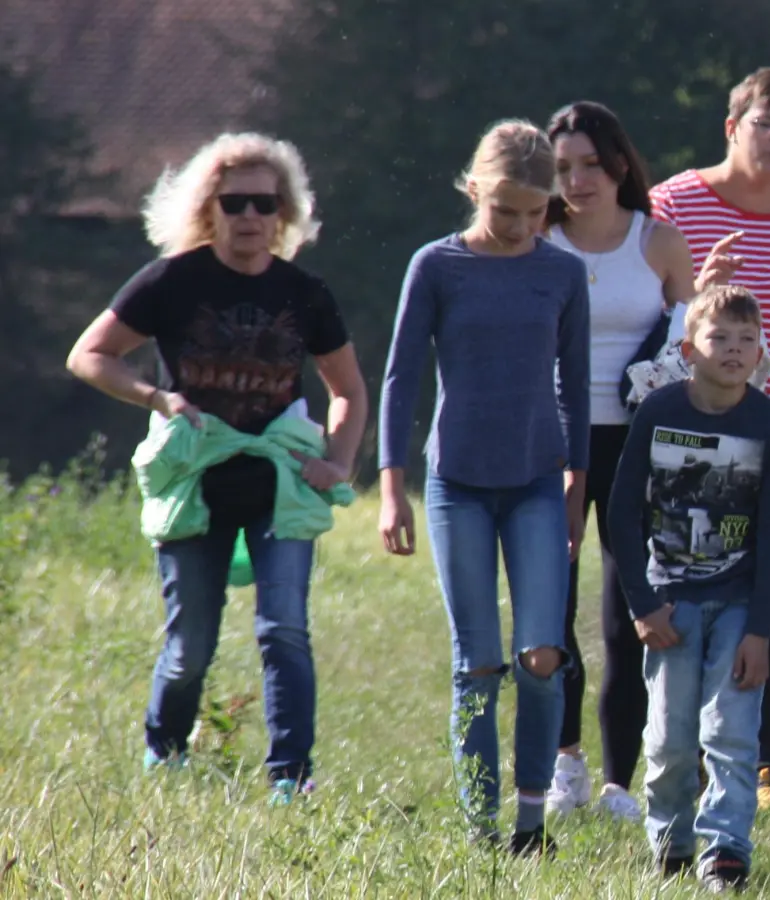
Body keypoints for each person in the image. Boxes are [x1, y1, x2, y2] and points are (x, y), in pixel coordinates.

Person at [64, 132, 366, 806]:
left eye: (265, 202)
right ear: (211, 208)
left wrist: (337, 461)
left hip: (278, 483)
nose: (251, 216)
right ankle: (164, 755)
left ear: (285, 212)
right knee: (190, 644)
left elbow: (347, 389)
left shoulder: (304, 293)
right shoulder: (173, 280)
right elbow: (90, 355)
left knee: (283, 627)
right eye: (236, 202)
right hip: (195, 480)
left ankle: (290, 776)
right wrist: (156, 397)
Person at [377, 120, 589, 855]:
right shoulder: (436, 267)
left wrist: (576, 484)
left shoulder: (561, 273)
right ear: (475, 191)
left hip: (536, 479)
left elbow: (575, 386)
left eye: (536, 214)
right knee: (479, 663)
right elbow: (402, 376)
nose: (520, 227)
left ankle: (531, 825)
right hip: (457, 481)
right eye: (506, 212)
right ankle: (480, 827)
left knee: (541, 656)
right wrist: (390, 485)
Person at [650, 66, 770, 809]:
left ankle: (769, 764)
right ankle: (685, 752)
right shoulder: (674, 203)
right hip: (692, 439)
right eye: (768, 124)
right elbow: (657, 317)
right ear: (733, 127)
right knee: (693, 598)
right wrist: (700, 289)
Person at [608, 286, 770, 893]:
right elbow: (621, 515)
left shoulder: (769, 423)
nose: (735, 350)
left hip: (741, 603)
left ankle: (726, 850)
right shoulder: (660, 412)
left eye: (748, 339)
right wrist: (642, 603)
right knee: (669, 739)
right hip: (671, 602)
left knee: (731, 732)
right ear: (689, 349)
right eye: (720, 338)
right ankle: (671, 843)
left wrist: (763, 630)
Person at [542, 100, 696, 822]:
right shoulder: (538, 241)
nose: (578, 180)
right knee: (553, 607)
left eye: (592, 165)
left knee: (628, 613)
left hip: (638, 446)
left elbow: (687, 341)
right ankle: (564, 760)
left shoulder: (659, 242)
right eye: (564, 167)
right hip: (554, 444)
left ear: (621, 166)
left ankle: (619, 784)